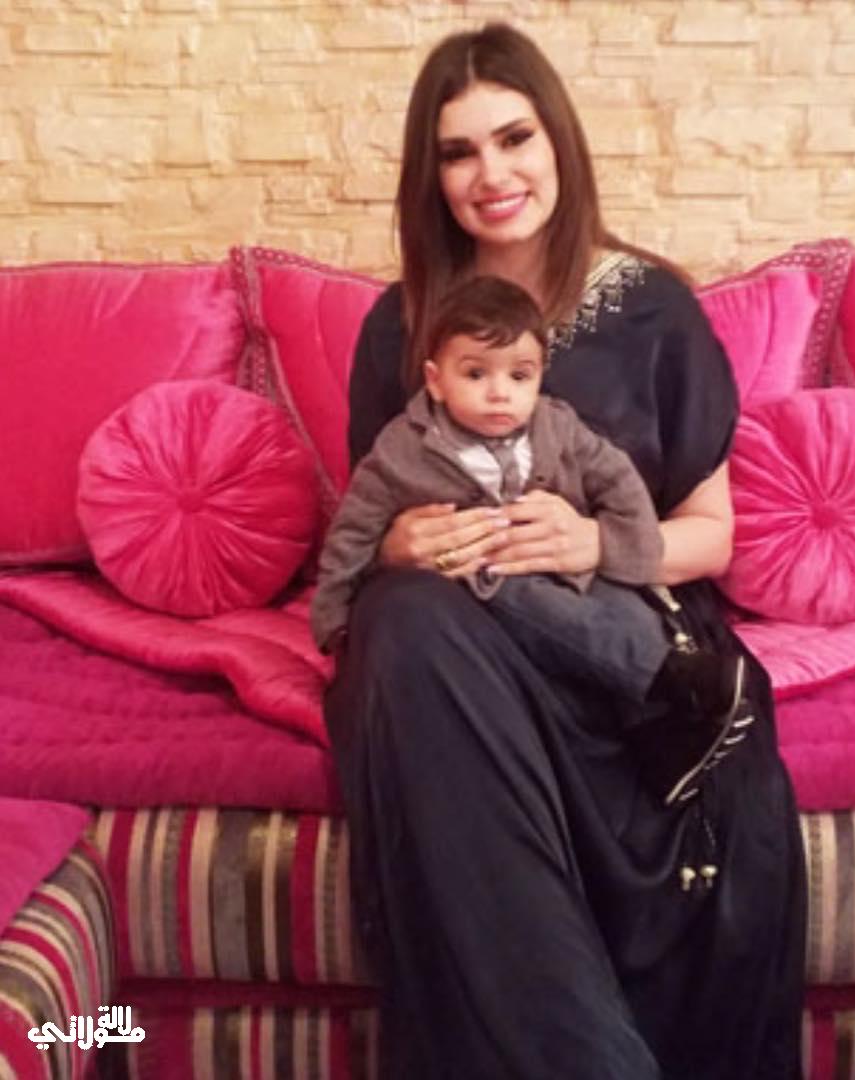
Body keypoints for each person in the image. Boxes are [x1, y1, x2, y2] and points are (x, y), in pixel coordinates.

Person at [323, 21, 806, 1080]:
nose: (491, 175)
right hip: (455, 660)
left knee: (416, 635)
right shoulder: (399, 327)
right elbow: (365, 526)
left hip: (614, 646)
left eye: (514, 138)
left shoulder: (654, 311)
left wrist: (594, 541)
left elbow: (712, 535)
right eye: (458, 153)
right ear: (431, 176)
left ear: (558, 142)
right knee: (406, 620)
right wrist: (401, 542)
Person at [312, 273, 753, 807]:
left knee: (615, 609)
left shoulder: (558, 426)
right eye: (475, 373)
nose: (500, 392)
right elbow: (354, 530)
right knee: (539, 608)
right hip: (484, 587)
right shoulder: (401, 450)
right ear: (436, 380)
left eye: (519, 376)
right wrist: (334, 619)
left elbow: (617, 479)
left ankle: (664, 732)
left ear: (539, 378)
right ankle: (673, 683)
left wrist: (619, 544)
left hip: (569, 567)